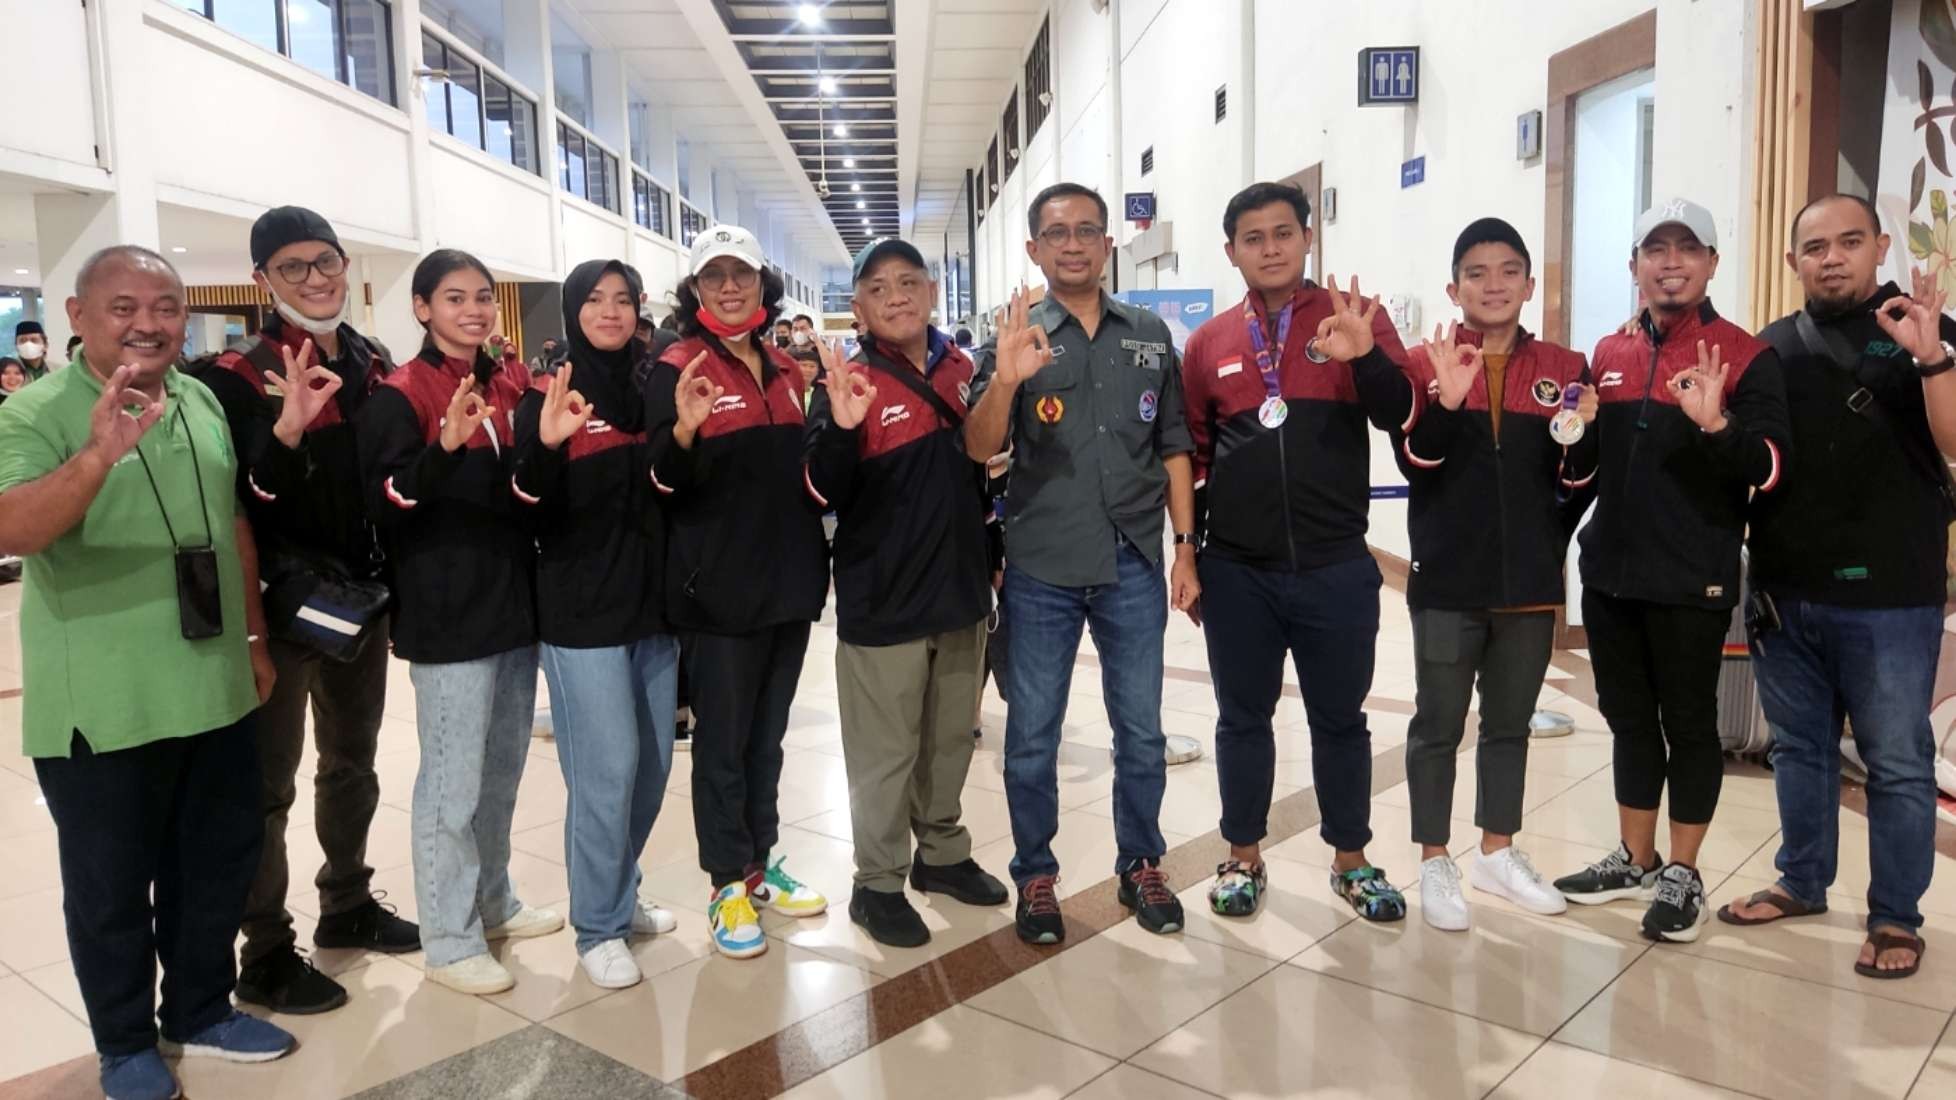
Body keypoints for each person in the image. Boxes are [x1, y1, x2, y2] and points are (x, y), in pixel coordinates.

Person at [0, 245, 295, 1100]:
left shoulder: (199, 396)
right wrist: (96, 454)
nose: (149, 323)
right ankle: (124, 1042)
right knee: (111, 884)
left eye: (166, 306)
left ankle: (201, 1008)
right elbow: (14, 531)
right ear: (77, 317)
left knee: (215, 860)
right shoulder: (39, 411)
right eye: (124, 305)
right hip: (102, 701)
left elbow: (229, 520)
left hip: (210, 685)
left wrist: (254, 642)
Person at [1718, 194, 1955, 979]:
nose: (1832, 257)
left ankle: (1895, 916)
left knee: (1895, 759)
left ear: (1880, 246)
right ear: (1793, 262)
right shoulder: (1769, 348)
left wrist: (1932, 358)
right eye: (1815, 246)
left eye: (1850, 241)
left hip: (1892, 596)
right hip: (1787, 591)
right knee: (1799, 750)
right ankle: (1802, 879)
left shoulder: (1923, 330)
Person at [193, 206, 418, 1016]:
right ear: (262, 281)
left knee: (352, 762)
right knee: (268, 786)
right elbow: (239, 503)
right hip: (283, 612)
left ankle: (347, 901)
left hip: (362, 604)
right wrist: (283, 438)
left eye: (326, 262)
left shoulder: (371, 362)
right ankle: (265, 950)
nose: (316, 279)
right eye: (294, 267)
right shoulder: (232, 379)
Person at [962, 182, 1197, 944]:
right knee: (1032, 732)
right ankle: (1035, 876)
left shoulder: (1150, 333)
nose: (1073, 243)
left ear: (1107, 244)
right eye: (1057, 233)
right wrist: (1005, 379)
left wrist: (1185, 548)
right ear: (1033, 248)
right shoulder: (1018, 334)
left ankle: (1141, 865)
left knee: (1141, 729)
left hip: (1132, 558)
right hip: (1042, 564)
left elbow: (1173, 447)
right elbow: (978, 446)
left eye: (1088, 230)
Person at [1552, 199, 1791, 943]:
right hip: (1612, 576)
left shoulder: (1746, 357)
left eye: (1689, 248)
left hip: (1694, 578)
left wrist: (1717, 423)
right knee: (1628, 722)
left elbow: (1772, 470)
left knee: (1688, 725)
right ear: (1634, 267)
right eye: (1655, 249)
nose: (1671, 262)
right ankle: (1635, 857)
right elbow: (1580, 475)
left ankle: (1682, 871)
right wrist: (1581, 435)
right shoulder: (1610, 352)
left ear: (1712, 264)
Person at [1179, 182, 1416, 923]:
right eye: (1254, 238)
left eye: (1284, 232)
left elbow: (1400, 415)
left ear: (1307, 237)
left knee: (1340, 719)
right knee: (1240, 719)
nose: (1271, 248)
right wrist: (1187, 555)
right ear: (1232, 252)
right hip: (1238, 569)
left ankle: (1352, 858)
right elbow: (1188, 453)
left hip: (1336, 565)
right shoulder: (1209, 343)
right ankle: (1242, 855)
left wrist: (1368, 355)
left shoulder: (1354, 319)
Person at [357, 249, 562, 995]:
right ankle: (447, 935)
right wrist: (442, 447)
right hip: (447, 617)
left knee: (502, 774)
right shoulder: (398, 394)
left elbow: (520, 492)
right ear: (421, 308)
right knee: (451, 785)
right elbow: (385, 504)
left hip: (513, 606)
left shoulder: (507, 383)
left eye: (482, 297)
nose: (472, 310)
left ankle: (493, 899)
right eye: (453, 298)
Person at [1391, 217, 1597, 931]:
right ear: (1454, 288)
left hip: (1530, 585)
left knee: (1509, 725)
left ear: (1530, 284)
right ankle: (1433, 859)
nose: (1494, 284)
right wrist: (1447, 402)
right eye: (1476, 273)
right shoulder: (1428, 362)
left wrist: (1584, 437)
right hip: (1448, 579)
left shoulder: (1567, 369)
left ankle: (1497, 851)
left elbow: (1576, 482)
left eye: (1509, 271)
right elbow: (1414, 463)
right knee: (1438, 725)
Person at [804, 237, 1009, 947]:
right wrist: (842, 430)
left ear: (930, 292)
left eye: (908, 282)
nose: (896, 296)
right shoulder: (844, 382)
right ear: (857, 307)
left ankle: (943, 856)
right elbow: (818, 492)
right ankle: (878, 882)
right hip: (881, 597)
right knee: (884, 752)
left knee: (948, 739)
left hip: (958, 587)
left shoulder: (965, 369)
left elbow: (988, 471)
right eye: (879, 287)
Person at [644, 224, 831, 959]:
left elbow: (808, 478)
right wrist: (685, 434)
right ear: (694, 291)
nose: (729, 287)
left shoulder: (788, 370)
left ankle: (759, 866)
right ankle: (725, 881)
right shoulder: (677, 366)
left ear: (763, 284)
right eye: (714, 276)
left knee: (768, 739)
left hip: (787, 585)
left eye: (742, 275)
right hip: (717, 592)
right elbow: (660, 479)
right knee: (722, 745)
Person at [511, 259, 682, 989]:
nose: (609, 311)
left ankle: (620, 886)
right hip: (581, 612)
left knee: (652, 767)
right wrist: (547, 447)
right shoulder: (548, 391)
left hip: (652, 607)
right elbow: (524, 499)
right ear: (574, 308)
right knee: (605, 770)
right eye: (595, 300)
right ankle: (597, 924)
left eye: (623, 299)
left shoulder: (655, 384)